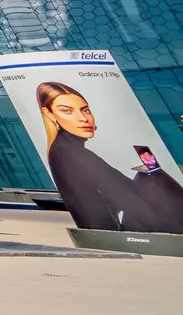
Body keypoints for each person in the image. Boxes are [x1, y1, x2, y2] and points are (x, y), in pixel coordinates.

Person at [36, 81, 183, 234]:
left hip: (115, 225)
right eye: (67, 111)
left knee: (151, 175)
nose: (83, 118)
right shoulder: (73, 153)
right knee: (154, 178)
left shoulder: (67, 149)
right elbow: (124, 198)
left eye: (85, 110)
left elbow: (118, 191)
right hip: (115, 230)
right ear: (49, 114)